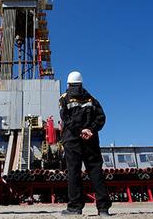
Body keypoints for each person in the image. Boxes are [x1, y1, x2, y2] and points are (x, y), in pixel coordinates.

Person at [59, 71, 111, 216]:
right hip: (91, 140)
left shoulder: (64, 98)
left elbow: (66, 119)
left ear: (68, 84)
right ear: (81, 83)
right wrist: (90, 130)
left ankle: (75, 208)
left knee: (74, 172)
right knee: (95, 171)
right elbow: (101, 117)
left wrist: (79, 131)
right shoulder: (92, 99)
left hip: (72, 140)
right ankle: (103, 209)